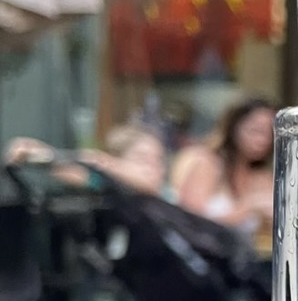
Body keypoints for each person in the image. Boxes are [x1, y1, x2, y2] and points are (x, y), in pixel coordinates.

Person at [173, 97, 275, 243]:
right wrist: (246, 210)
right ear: (233, 128)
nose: (262, 140)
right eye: (255, 130)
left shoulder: (262, 177)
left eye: (270, 133)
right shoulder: (207, 163)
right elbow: (190, 222)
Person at [5, 124, 168, 195]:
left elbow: (147, 185)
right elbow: (74, 173)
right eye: (142, 159)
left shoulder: (170, 198)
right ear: (118, 158)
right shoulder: (106, 186)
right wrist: (39, 152)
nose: (152, 167)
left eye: (158, 160)